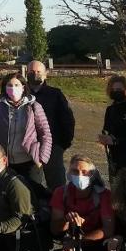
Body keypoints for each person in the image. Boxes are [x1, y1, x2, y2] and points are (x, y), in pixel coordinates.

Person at [42, 154, 115, 251]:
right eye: (75, 171)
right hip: (72, 242)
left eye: (84, 172)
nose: (79, 175)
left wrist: (77, 243)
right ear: (69, 174)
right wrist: (66, 220)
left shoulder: (104, 195)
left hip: (95, 243)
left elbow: (108, 229)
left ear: (93, 174)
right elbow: (55, 229)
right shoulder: (60, 193)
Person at [0, 73, 52, 195]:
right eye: (9, 85)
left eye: (16, 85)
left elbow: (45, 133)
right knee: (8, 195)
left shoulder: (34, 107)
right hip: (6, 162)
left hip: (29, 161)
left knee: (31, 195)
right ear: (5, 88)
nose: (13, 88)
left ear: (23, 87)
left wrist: (41, 158)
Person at [25, 60, 75, 192]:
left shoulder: (55, 94)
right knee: (31, 186)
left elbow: (67, 119)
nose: (35, 74)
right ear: (26, 73)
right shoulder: (21, 95)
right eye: (31, 72)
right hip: (29, 148)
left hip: (54, 147)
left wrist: (63, 144)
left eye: (38, 72)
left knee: (57, 187)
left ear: (45, 74)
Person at [99, 74, 126, 174]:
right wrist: (105, 138)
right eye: (113, 89)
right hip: (115, 158)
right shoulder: (110, 110)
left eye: (119, 89)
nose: (116, 92)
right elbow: (107, 129)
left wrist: (116, 141)